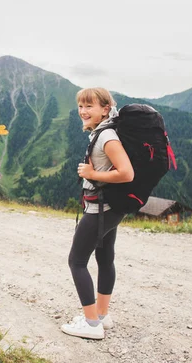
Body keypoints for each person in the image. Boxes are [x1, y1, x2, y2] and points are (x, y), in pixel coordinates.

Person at [61, 87, 134, 340]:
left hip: (100, 209)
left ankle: (91, 324)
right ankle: (101, 315)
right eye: (80, 106)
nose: (83, 111)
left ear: (105, 109)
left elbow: (127, 173)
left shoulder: (107, 137)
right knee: (105, 258)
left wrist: (91, 175)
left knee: (76, 261)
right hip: (109, 209)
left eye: (89, 106)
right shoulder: (104, 132)